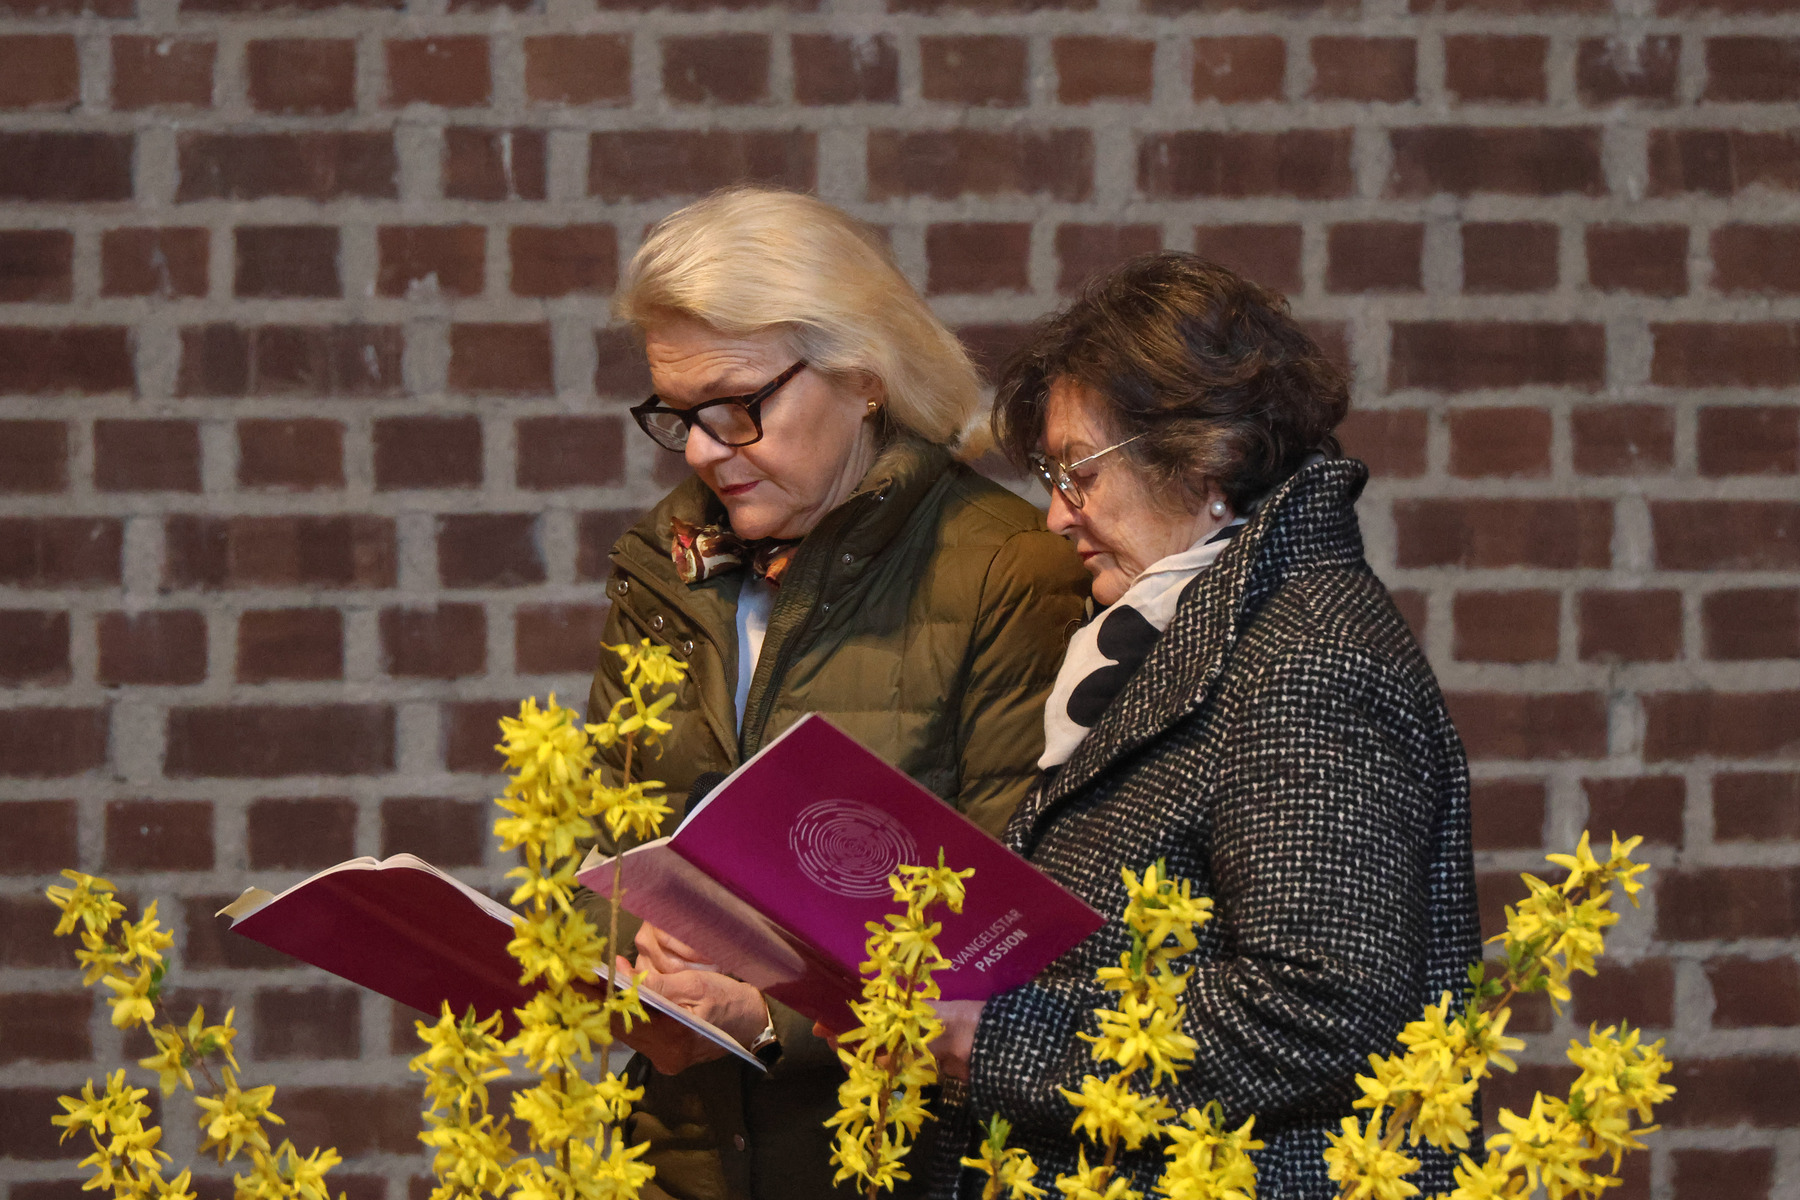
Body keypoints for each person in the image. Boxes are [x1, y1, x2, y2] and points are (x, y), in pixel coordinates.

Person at [928, 253, 1480, 1198]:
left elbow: (1320, 1006)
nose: (1055, 516)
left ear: (1207, 458)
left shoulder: (1306, 660)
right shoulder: (1188, 632)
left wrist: (1004, 1041)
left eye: (1077, 472)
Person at [583, 187, 1089, 1200]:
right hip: (680, 1153)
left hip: (890, 1157)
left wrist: (774, 1019)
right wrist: (631, 957)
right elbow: (603, 841)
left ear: (861, 376)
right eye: (676, 416)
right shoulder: (665, 563)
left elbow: (1016, 925)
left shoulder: (1004, 569)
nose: (700, 449)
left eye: (735, 408)